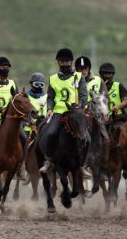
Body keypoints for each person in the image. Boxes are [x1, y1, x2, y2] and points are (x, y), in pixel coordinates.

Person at [39, 48, 91, 177]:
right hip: (59, 111)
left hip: (75, 112)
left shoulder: (78, 77)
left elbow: (84, 94)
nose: (65, 64)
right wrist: (50, 109)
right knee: (50, 133)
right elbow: (50, 97)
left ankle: (82, 166)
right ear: (58, 62)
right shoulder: (53, 79)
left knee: (88, 138)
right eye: (62, 62)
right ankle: (49, 161)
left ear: (71, 62)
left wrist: (81, 106)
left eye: (67, 62)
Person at [0, 56, 28, 180]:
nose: (5, 69)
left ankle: (21, 166)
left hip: (11, 119)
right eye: (3, 67)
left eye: (7, 67)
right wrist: (1, 109)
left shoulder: (12, 83)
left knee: (24, 138)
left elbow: (16, 100)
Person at [75, 56, 109, 181]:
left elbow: (106, 99)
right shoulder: (74, 81)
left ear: (88, 69)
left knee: (106, 139)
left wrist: (101, 111)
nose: (82, 71)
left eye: (84, 69)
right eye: (79, 69)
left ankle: (103, 170)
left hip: (95, 116)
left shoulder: (98, 81)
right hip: (80, 116)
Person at [24, 72, 48, 139]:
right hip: (28, 128)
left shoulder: (47, 96)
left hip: (42, 127)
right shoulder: (26, 96)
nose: (39, 87)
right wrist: (30, 124)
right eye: (36, 84)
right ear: (31, 84)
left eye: (41, 84)